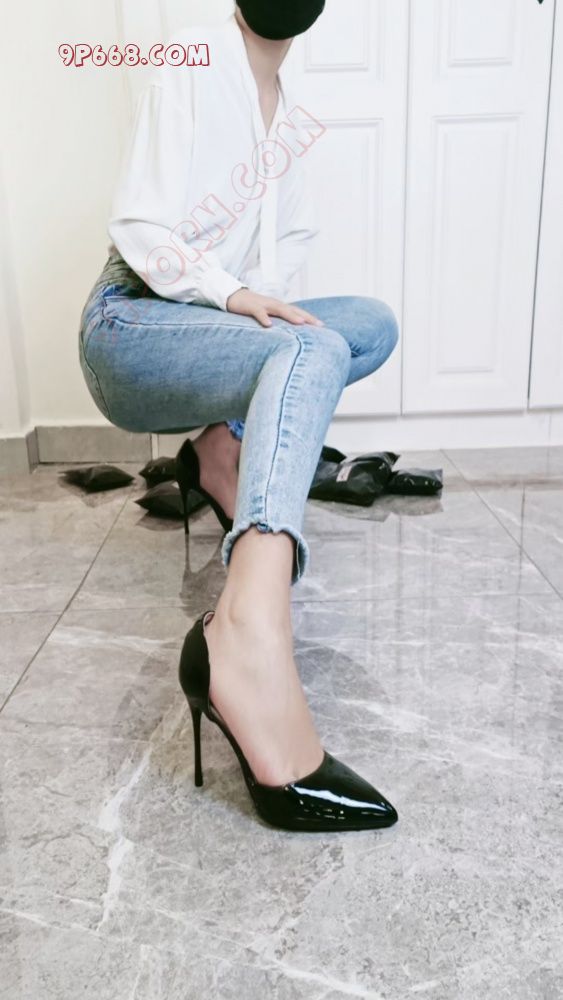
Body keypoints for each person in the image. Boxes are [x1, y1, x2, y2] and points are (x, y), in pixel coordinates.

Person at [78, 0, 400, 831]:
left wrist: (259, 312)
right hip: (130, 324)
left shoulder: (287, 115)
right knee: (309, 346)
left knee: (364, 326)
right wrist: (231, 295)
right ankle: (246, 635)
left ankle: (220, 449)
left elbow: (277, 274)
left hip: (213, 330)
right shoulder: (191, 58)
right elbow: (141, 225)